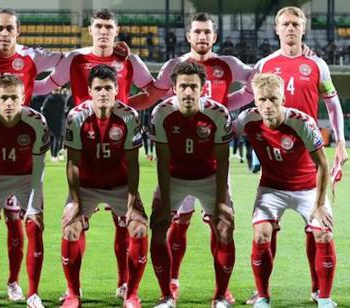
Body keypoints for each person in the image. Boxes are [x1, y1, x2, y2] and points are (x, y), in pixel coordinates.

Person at [129, 13, 253, 304]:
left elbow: (255, 80)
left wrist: (226, 104)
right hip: (177, 168)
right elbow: (154, 92)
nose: (202, 37)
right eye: (197, 32)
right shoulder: (174, 69)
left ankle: (221, 292)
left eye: (207, 32)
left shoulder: (227, 65)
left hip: (210, 154)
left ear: (214, 36)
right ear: (188, 36)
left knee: (221, 222)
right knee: (174, 223)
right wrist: (120, 103)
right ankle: (170, 284)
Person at [34, 9, 154, 300]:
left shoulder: (129, 59)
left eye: (108, 26)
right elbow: (49, 85)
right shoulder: (75, 58)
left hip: (119, 149)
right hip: (85, 142)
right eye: (98, 26)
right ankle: (72, 292)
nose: (103, 31)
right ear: (90, 29)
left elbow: (152, 91)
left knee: (127, 224)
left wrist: (124, 107)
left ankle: (127, 287)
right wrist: (17, 91)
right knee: (70, 223)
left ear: (117, 30)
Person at [230, 7, 348, 304]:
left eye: (296, 23)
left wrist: (341, 140)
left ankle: (318, 290)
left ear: (304, 28)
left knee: (317, 230)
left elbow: (332, 106)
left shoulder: (317, 64)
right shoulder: (266, 64)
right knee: (266, 230)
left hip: (307, 151)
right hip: (270, 143)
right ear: (277, 28)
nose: (291, 28)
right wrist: (214, 104)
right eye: (286, 24)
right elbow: (248, 97)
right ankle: (262, 291)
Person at [0, 8, 62, 301]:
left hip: (19, 141)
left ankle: (13, 282)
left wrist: (44, 85)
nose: (4, 34)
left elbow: (67, 62)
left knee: (13, 217)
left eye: (9, 28)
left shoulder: (31, 57)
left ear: (18, 31)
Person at [234, 73, 336, 308]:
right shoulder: (246, 120)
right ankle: (262, 297)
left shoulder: (302, 122)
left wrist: (320, 205)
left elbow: (322, 164)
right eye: (262, 100)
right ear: (255, 101)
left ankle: (324, 298)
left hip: (307, 189)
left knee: (324, 233)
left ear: (283, 99)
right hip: (271, 189)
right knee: (260, 235)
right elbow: (223, 135)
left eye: (273, 99)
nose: (267, 106)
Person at [60, 64, 148, 308]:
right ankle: (72, 294)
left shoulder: (129, 116)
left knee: (139, 228)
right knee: (70, 229)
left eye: (108, 88)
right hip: (86, 185)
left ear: (117, 90)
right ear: (89, 90)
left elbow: (133, 163)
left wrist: (132, 202)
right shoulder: (76, 116)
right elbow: (72, 163)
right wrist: (76, 202)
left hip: (119, 184)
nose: (103, 93)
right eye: (98, 88)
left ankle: (131, 295)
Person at [150, 61, 234, 308]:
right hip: (175, 177)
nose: (188, 92)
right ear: (174, 88)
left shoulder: (218, 113)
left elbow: (223, 159)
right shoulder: (162, 113)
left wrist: (221, 202)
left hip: (209, 177)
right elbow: (163, 161)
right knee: (157, 226)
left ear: (203, 88)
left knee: (226, 228)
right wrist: (164, 203)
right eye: (183, 86)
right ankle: (167, 296)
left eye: (193, 86)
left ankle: (220, 297)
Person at [0, 74, 49, 308]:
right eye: (3, 98)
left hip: (26, 177)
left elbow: (39, 167)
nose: (9, 103)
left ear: (23, 98)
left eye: (14, 98)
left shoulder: (37, 121)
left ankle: (30, 292)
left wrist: (34, 207)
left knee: (33, 226)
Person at [41, 88, 67, 162]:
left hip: (50, 121)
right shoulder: (63, 99)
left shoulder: (48, 99)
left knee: (51, 139)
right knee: (58, 139)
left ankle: (53, 155)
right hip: (59, 121)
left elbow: (43, 110)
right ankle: (56, 155)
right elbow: (64, 110)